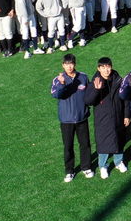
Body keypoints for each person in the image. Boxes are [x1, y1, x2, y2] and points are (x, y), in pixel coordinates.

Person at [84, 57, 131, 178]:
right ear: (98, 68)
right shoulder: (95, 81)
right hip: (103, 119)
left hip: (118, 116)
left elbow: (124, 98)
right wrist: (96, 90)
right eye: (103, 67)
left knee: (119, 140)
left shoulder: (118, 79)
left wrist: (126, 115)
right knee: (104, 143)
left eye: (108, 66)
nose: (106, 70)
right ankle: (103, 166)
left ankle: (118, 162)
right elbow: (88, 101)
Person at [50, 54, 93, 182]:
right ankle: (69, 170)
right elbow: (56, 95)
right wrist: (62, 84)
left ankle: (86, 167)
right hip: (66, 120)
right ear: (63, 65)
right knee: (68, 146)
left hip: (81, 118)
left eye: (71, 63)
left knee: (85, 144)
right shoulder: (58, 79)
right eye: (66, 64)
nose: (69, 66)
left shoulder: (83, 77)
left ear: (75, 64)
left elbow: (89, 94)